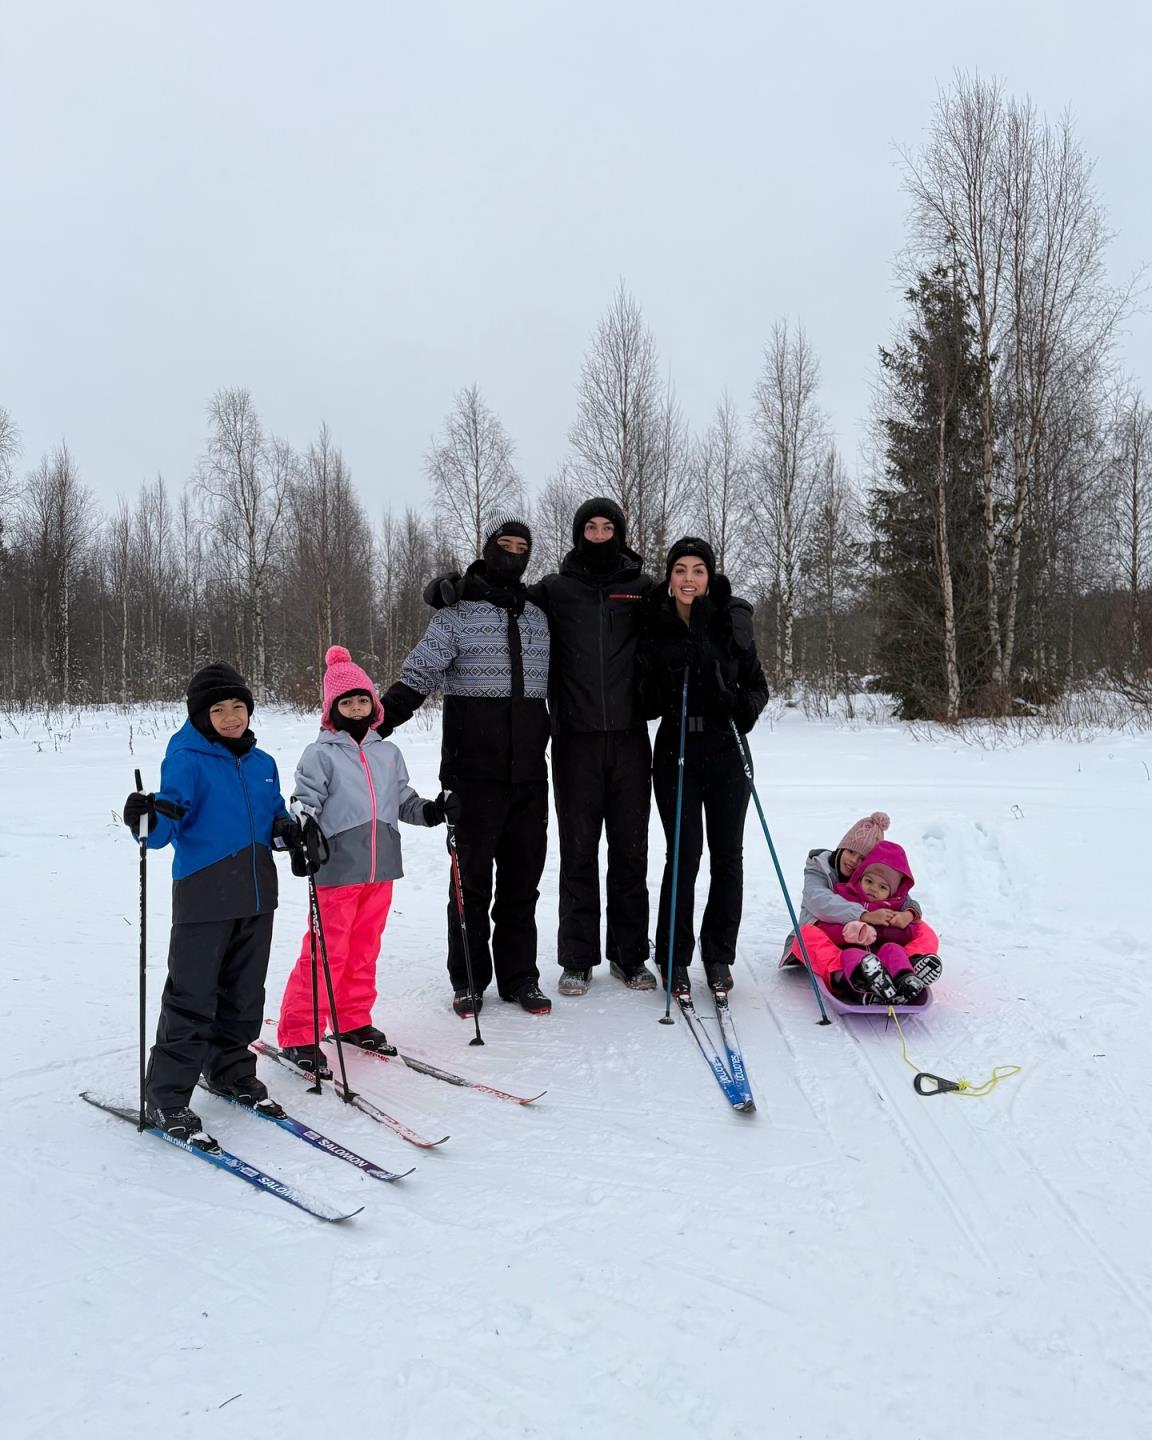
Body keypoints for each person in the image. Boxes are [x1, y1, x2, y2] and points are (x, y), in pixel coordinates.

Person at [422, 497, 658, 997]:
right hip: (573, 741)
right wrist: (451, 587)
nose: (598, 533)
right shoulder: (554, 589)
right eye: (590, 526)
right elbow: (500, 592)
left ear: (619, 531)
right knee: (577, 852)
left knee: (631, 851)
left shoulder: (642, 589)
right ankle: (576, 959)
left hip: (632, 739)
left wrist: (728, 603)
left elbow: (688, 606)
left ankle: (630, 955)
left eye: (607, 526)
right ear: (578, 534)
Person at [378, 515, 552, 1016]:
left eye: (523, 547)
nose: (513, 553)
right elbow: (419, 674)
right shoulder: (455, 614)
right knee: (470, 885)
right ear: (489, 548)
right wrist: (374, 725)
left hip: (529, 776)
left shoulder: (538, 615)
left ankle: (521, 977)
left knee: (522, 883)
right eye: (506, 544)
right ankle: (469, 979)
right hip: (473, 774)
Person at [121, 662, 297, 1148]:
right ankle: (166, 1094)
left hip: (259, 894)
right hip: (204, 894)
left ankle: (230, 1071)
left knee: (244, 993)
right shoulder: (186, 759)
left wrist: (288, 832)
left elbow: (274, 815)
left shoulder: (262, 764)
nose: (230, 717)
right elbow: (163, 830)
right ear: (201, 716)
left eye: (238, 706)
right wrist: (145, 817)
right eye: (218, 709)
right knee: (192, 995)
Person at [275, 645, 447, 1076]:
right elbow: (306, 800)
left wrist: (430, 811)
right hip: (337, 867)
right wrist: (303, 826)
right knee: (324, 952)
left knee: (364, 949)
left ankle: (352, 1020)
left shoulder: (387, 753)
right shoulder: (321, 754)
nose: (355, 707)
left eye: (361, 699)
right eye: (345, 701)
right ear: (332, 709)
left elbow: (401, 799)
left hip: (381, 866)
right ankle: (300, 1033)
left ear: (374, 703)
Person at [639, 537, 769, 995]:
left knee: (727, 856)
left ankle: (718, 956)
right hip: (676, 745)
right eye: (680, 569)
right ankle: (673, 956)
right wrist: (662, 682)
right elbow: (644, 699)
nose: (688, 578)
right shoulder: (654, 622)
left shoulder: (729, 619)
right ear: (669, 577)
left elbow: (757, 687)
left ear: (708, 576)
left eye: (697, 569)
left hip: (726, 746)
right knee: (684, 854)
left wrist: (736, 703)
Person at [780, 812, 942, 1003]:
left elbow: (904, 898)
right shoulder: (819, 868)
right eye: (850, 852)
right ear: (841, 847)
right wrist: (865, 916)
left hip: (876, 949)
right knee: (805, 935)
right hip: (831, 941)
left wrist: (908, 914)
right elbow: (819, 901)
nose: (853, 861)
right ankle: (844, 976)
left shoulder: (871, 879)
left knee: (923, 929)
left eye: (861, 858)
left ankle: (906, 969)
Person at [815, 841, 937, 1003]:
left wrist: (892, 925)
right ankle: (864, 988)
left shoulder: (895, 907)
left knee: (892, 948)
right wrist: (847, 932)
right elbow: (824, 924)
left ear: (892, 891)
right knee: (852, 955)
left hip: (883, 957)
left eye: (882, 887)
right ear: (859, 877)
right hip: (852, 954)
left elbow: (910, 931)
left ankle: (905, 980)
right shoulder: (844, 896)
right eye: (869, 881)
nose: (873, 889)